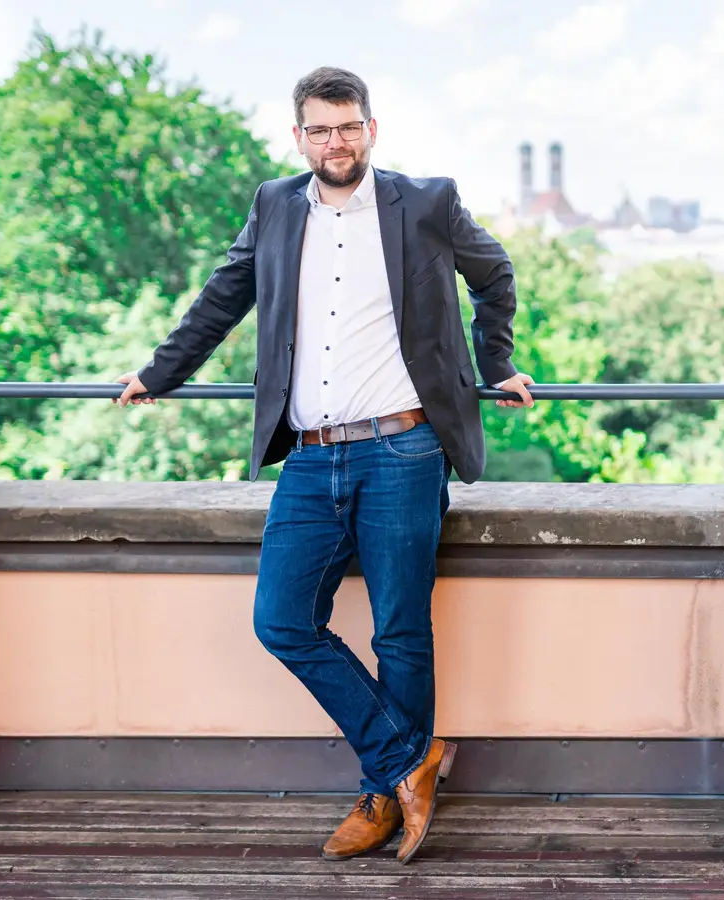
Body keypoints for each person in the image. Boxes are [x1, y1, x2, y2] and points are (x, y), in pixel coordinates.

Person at [112, 66, 534, 863]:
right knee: (282, 619)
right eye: (319, 129)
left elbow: (495, 275)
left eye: (347, 127)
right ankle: (409, 760)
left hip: (405, 448)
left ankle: (382, 797)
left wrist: (497, 361)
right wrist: (160, 372)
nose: (334, 142)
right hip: (309, 457)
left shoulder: (427, 203)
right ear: (298, 136)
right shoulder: (274, 205)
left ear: (370, 129)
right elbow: (221, 299)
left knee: (400, 630)